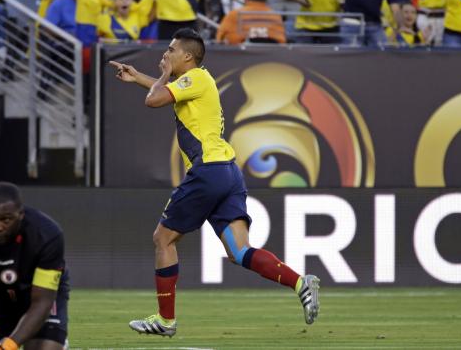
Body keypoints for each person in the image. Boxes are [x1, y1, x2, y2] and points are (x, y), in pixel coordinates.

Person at [109, 28, 320, 337]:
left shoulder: (194, 77)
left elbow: (153, 100)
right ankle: (301, 283)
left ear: (187, 56)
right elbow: (162, 93)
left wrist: (162, 75)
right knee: (239, 251)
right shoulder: (196, 81)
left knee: (163, 239)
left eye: (170, 50)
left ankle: (166, 320)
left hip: (207, 171)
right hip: (227, 172)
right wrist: (139, 76)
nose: (165, 55)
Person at [0, 182, 69, 350]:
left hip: (39, 295)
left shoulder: (48, 235)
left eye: (6, 220)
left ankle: (58, 342)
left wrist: (9, 345)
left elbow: (42, 301)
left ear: (20, 215)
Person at [217, 0, 286, 44]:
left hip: (240, 55)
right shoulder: (276, 18)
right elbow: (282, 44)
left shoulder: (234, 16)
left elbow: (219, 40)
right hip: (270, 55)